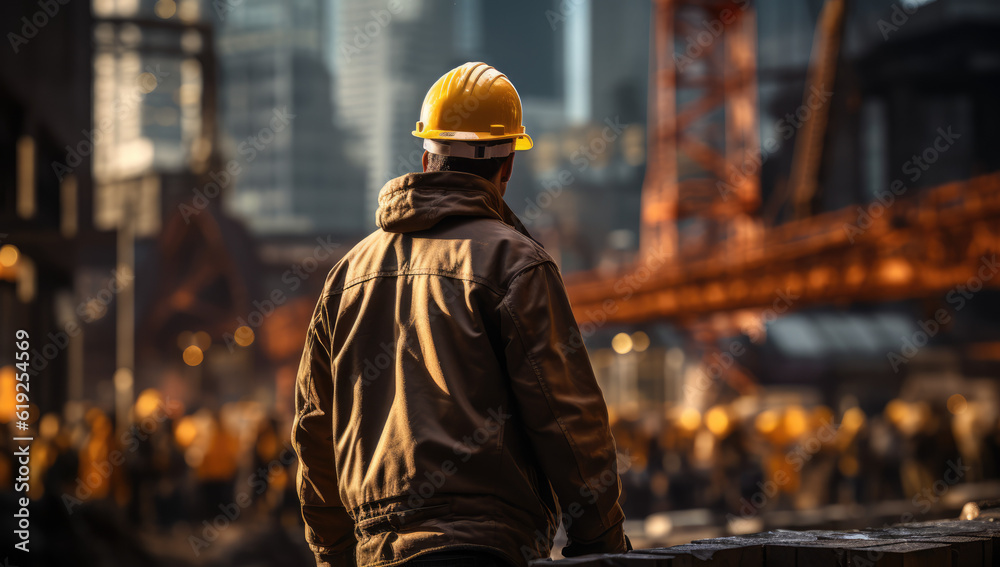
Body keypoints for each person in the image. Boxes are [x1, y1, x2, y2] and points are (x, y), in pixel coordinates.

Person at [292, 62, 629, 567]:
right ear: (508, 166)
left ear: (426, 156)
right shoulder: (516, 265)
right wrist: (601, 545)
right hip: (484, 549)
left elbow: (315, 429)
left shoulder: (346, 276)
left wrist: (336, 555)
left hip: (375, 554)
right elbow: (568, 420)